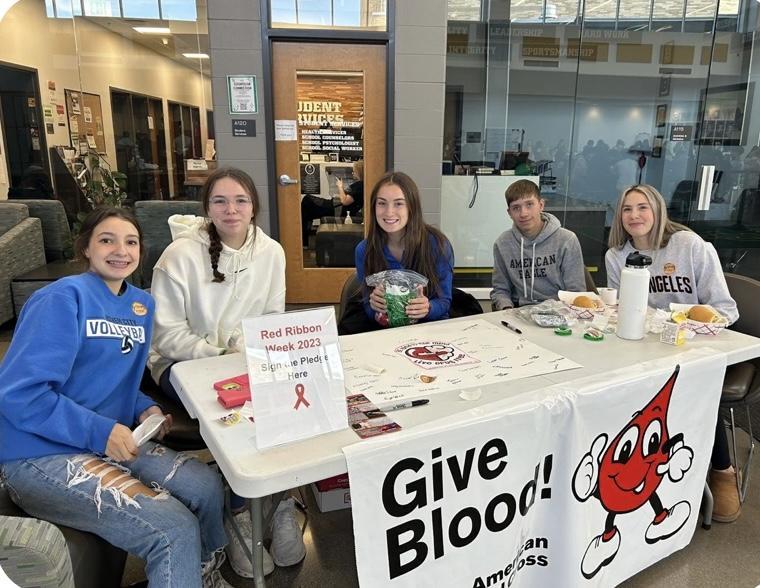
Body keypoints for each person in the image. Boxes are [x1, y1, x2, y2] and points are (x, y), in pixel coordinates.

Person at [0, 207, 231, 588]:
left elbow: (116, 378)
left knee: (205, 487)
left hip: (105, 441)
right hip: (40, 454)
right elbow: (20, 394)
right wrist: (101, 431)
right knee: (173, 529)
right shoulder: (60, 299)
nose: (121, 251)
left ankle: (200, 574)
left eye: (131, 242)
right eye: (107, 240)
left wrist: (144, 408)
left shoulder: (141, 305)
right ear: (85, 248)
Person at [147, 167, 303, 578]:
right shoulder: (179, 255)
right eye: (220, 201)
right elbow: (166, 334)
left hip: (244, 357)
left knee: (295, 398)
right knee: (234, 414)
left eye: (240, 201)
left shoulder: (271, 252)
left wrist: (251, 352)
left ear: (254, 207)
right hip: (182, 362)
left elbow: (272, 317)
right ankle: (241, 516)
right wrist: (219, 353)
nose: (231, 209)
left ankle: (280, 501)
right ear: (207, 207)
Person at [605, 183, 741, 523]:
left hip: (696, 345)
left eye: (642, 207)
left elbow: (726, 309)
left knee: (696, 383)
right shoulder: (616, 257)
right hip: (645, 347)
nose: (634, 215)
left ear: (658, 210)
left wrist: (688, 324)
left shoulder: (690, 246)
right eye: (627, 209)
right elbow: (621, 310)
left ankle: (723, 470)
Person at [354, 171, 454, 329]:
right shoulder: (364, 250)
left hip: (431, 329)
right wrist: (375, 307)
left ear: (412, 207)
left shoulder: (437, 245)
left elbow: (444, 301)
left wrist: (428, 308)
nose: (389, 212)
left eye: (398, 203)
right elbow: (367, 306)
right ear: (373, 207)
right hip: (386, 332)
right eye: (382, 203)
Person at [490, 179, 586, 310]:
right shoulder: (502, 244)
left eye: (529, 204)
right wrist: (506, 310)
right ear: (509, 213)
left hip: (560, 311)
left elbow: (576, 292)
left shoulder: (567, 240)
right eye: (516, 208)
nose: (523, 213)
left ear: (541, 205)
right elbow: (500, 290)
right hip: (518, 312)